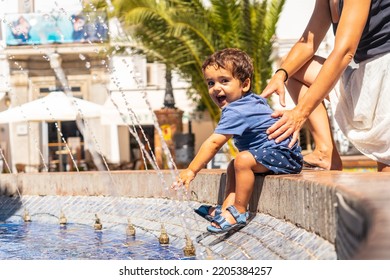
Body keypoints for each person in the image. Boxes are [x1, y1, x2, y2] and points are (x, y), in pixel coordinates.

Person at [173, 48, 303, 234]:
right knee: (233, 165)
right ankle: (226, 209)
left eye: (224, 81)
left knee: (242, 161)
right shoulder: (249, 102)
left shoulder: (236, 110)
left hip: (284, 155)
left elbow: (213, 143)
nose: (216, 88)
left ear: (245, 84)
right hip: (280, 153)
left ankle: (239, 211)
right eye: (211, 83)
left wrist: (191, 170)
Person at [261, 0, 390, 172]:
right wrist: (281, 74)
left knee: (385, 171)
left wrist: (300, 113)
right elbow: (307, 43)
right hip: (367, 74)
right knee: (293, 69)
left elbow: (345, 52)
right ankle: (325, 152)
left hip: (385, 71)